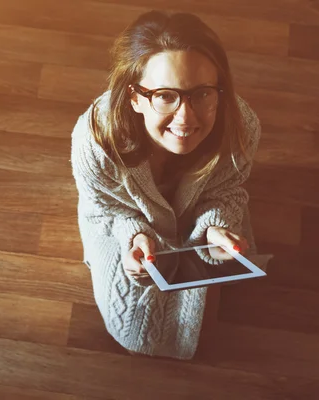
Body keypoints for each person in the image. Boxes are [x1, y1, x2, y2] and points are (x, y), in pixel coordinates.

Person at [70, 10, 261, 360]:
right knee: (131, 326)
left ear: (221, 88)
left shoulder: (241, 128)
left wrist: (216, 226)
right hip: (120, 221)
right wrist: (134, 235)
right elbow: (107, 207)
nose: (186, 118)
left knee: (212, 318)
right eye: (165, 96)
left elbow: (227, 190)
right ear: (135, 98)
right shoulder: (96, 142)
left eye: (202, 94)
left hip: (199, 212)